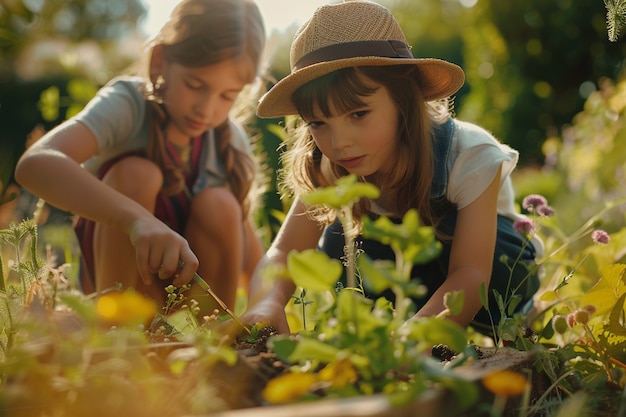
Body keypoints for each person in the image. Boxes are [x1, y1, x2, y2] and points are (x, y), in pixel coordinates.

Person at [241, 0, 542, 336]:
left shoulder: (469, 155)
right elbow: (285, 250)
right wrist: (265, 303)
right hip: (403, 288)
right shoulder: (331, 166)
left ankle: (519, 324)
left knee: (484, 253)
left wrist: (416, 339)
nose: (340, 143)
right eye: (318, 123)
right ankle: (378, 330)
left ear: (403, 99)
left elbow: (471, 273)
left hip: (487, 280)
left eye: (358, 114)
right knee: (339, 240)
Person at [14, 0, 266, 314]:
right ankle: (118, 335)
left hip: (192, 303)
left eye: (228, 95)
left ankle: (212, 342)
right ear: (161, 61)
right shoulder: (129, 105)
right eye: (195, 85)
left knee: (221, 204)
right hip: (116, 291)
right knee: (137, 174)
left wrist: (265, 309)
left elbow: (254, 260)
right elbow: (35, 164)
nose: (207, 108)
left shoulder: (228, 141)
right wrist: (137, 221)